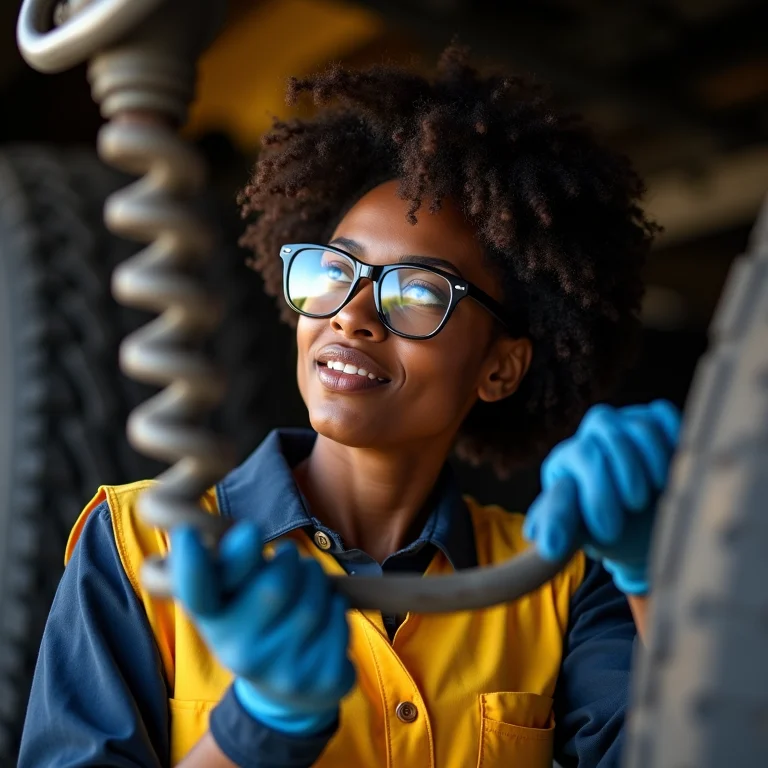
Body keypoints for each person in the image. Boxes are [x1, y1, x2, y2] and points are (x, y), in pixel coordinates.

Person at [19, 44, 680, 768]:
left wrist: (664, 581)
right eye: (336, 270)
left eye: (419, 291)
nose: (351, 315)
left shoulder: (558, 581)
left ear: (500, 367)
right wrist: (255, 729)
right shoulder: (139, 544)